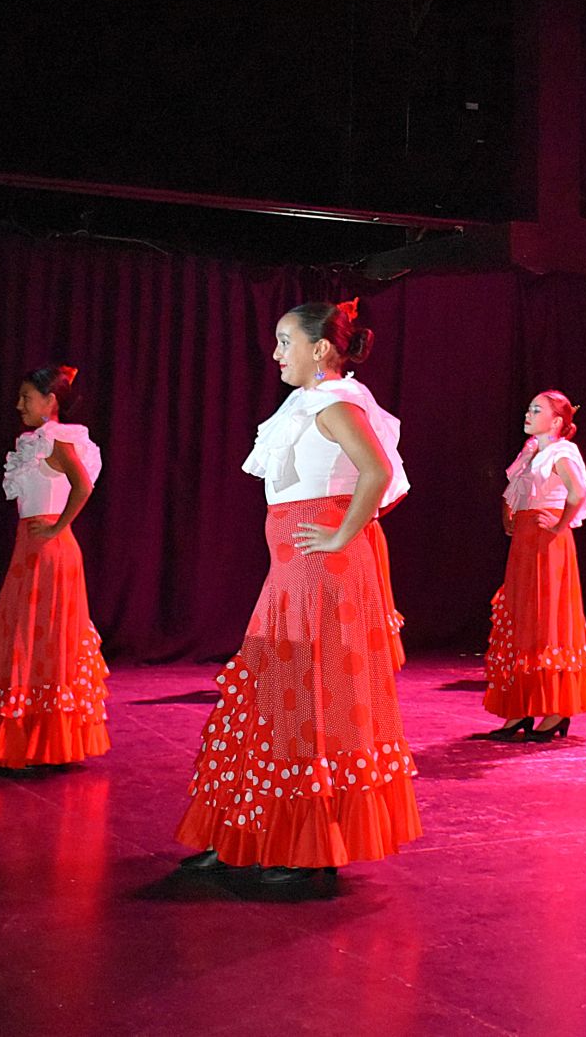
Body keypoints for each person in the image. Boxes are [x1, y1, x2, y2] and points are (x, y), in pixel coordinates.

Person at [177, 300, 418, 893]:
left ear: (320, 349)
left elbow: (378, 473)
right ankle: (248, 833)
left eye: (286, 341)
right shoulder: (306, 403)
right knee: (271, 697)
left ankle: (308, 845)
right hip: (291, 571)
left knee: (305, 701)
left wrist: (341, 531)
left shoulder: (335, 402)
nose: (277, 352)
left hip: (319, 573)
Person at [0, 365, 109, 770]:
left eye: (27, 397)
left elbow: (83, 486)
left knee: (30, 642)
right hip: (32, 550)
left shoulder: (57, 440)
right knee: (20, 640)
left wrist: (59, 525)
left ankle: (34, 743)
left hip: (49, 551)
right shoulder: (36, 442)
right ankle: (24, 742)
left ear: (49, 402)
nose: (19, 404)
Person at [482, 391, 586, 742]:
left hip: (546, 543)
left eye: (537, 409)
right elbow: (514, 491)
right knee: (522, 616)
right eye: (529, 407)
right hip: (526, 540)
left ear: (557, 421)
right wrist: (511, 515)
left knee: (545, 617)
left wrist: (560, 525)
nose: (529, 413)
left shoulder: (561, 451)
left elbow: (578, 493)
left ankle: (556, 709)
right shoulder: (534, 450)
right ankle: (518, 710)